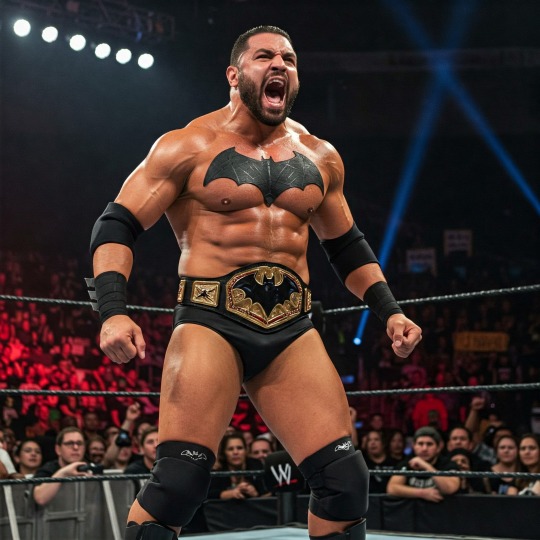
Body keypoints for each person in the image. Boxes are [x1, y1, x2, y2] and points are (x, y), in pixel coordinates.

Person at [88, 25, 422, 540]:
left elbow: (346, 246)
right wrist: (112, 311)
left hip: (292, 328)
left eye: (289, 58)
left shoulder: (320, 156)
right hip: (210, 322)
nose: (279, 65)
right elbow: (116, 225)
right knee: (178, 484)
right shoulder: (188, 145)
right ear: (233, 74)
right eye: (264, 56)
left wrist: (390, 311)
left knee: (344, 481)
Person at [387, 426, 460, 502]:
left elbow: (449, 489)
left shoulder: (448, 464)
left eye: (429, 444)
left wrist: (427, 466)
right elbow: (392, 488)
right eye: (420, 444)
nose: (424, 449)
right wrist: (422, 493)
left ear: (439, 447)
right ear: (414, 446)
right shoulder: (407, 463)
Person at [32, 427, 92, 506]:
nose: (76, 447)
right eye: (69, 443)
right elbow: (40, 498)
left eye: (79, 443)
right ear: (58, 449)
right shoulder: (48, 469)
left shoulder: (90, 469)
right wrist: (63, 473)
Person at [208, 432, 268, 500]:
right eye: (230, 449)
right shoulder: (218, 469)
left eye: (239, 448)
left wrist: (256, 494)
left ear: (246, 450)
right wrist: (231, 493)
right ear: (224, 452)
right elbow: (209, 494)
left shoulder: (256, 465)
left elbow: (267, 492)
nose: (235, 452)